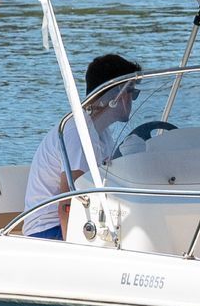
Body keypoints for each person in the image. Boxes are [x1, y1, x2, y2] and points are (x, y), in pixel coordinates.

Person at [22, 53, 142, 239]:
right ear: (115, 95)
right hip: (48, 230)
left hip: (77, 222)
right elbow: (69, 205)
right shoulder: (78, 134)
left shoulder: (100, 131)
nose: (133, 99)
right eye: (132, 92)